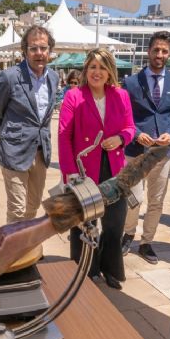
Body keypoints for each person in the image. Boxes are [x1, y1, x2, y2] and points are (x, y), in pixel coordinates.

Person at [58, 48, 136, 289]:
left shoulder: (120, 95)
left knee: (115, 222)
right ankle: (85, 269)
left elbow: (131, 128)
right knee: (84, 223)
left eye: (102, 67)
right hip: (83, 169)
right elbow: (64, 136)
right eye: (93, 66)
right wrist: (70, 173)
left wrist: (121, 139)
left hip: (114, 169)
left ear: (110, 71)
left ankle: (111, 269)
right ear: (86, 70)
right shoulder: (74, 96)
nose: (97, 72)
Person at [121, 31, 170, 263]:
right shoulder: (130, 82)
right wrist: (137, 134)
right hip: (135, 151)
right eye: (156, 50)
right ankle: (128, 235)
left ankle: (147, 241)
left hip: (162, 152)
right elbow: (123, 115)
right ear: (148, 51)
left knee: (156, 200)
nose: (160, 54)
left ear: (169, 54)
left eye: (164, 51)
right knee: (134, 198)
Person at [0, 25, 59, 223]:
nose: (39, 53)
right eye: (34, 48)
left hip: (40, 151)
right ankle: (13, 252)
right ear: (25, 51)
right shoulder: (9, 77)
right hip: (14, 151)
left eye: (43, 48)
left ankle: (27, 248)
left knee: (33, 206)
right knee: (17, 210)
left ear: (49, 51)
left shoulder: (53, 78)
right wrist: (12, 135)